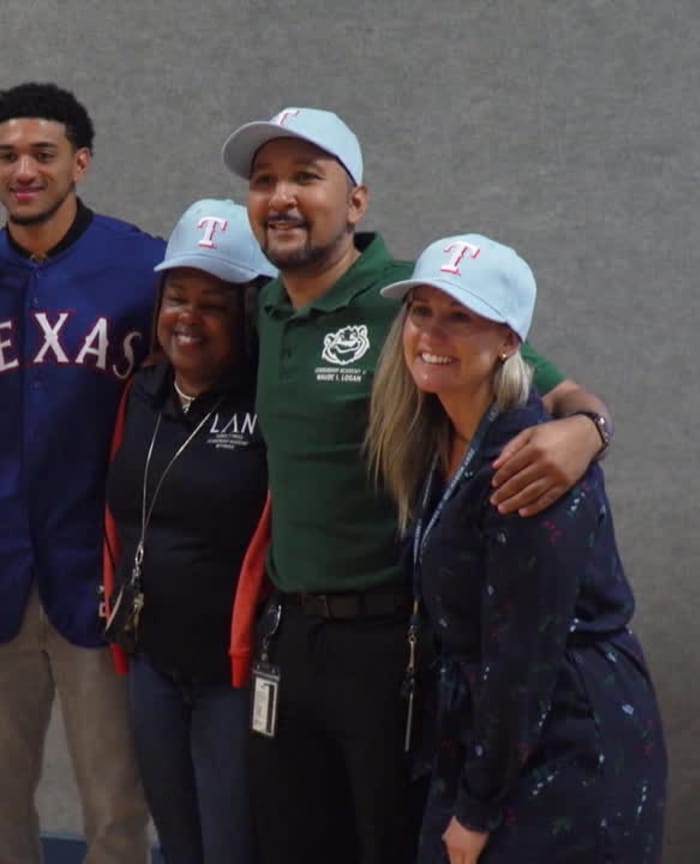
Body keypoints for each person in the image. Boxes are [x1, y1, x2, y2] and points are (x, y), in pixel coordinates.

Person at [220, 107, 616, 863]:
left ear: (356, 201)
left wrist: (590, 431)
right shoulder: (263, 308)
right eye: (264, 181)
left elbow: (559, 392)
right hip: (289, 634)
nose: (280, 197)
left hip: (389, 641)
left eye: (305, 177)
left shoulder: (409, 301)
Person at [0, 82, 157, 864]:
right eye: (8, 155)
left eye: (44, 154)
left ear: (80, 162)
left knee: (117, 806)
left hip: (101, 574)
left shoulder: (143, 266)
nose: (25, 170)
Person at [367, 233, 667, 863]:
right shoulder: (438, 437)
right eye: (420, 311)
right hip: (490, 734)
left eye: (459, 317)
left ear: (508, 340)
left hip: (564, 737)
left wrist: (476, 809)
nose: (430, 333)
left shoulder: (530, 461)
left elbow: (522, 658)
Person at [100, 198, 275, 864]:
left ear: (247, 313)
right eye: (177, 298)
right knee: (179, 845)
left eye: (213, 304)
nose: (189, 318)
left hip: (234, 676)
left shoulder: (270, 401)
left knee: (233, 848)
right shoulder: (143, 390)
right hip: (151, 664)